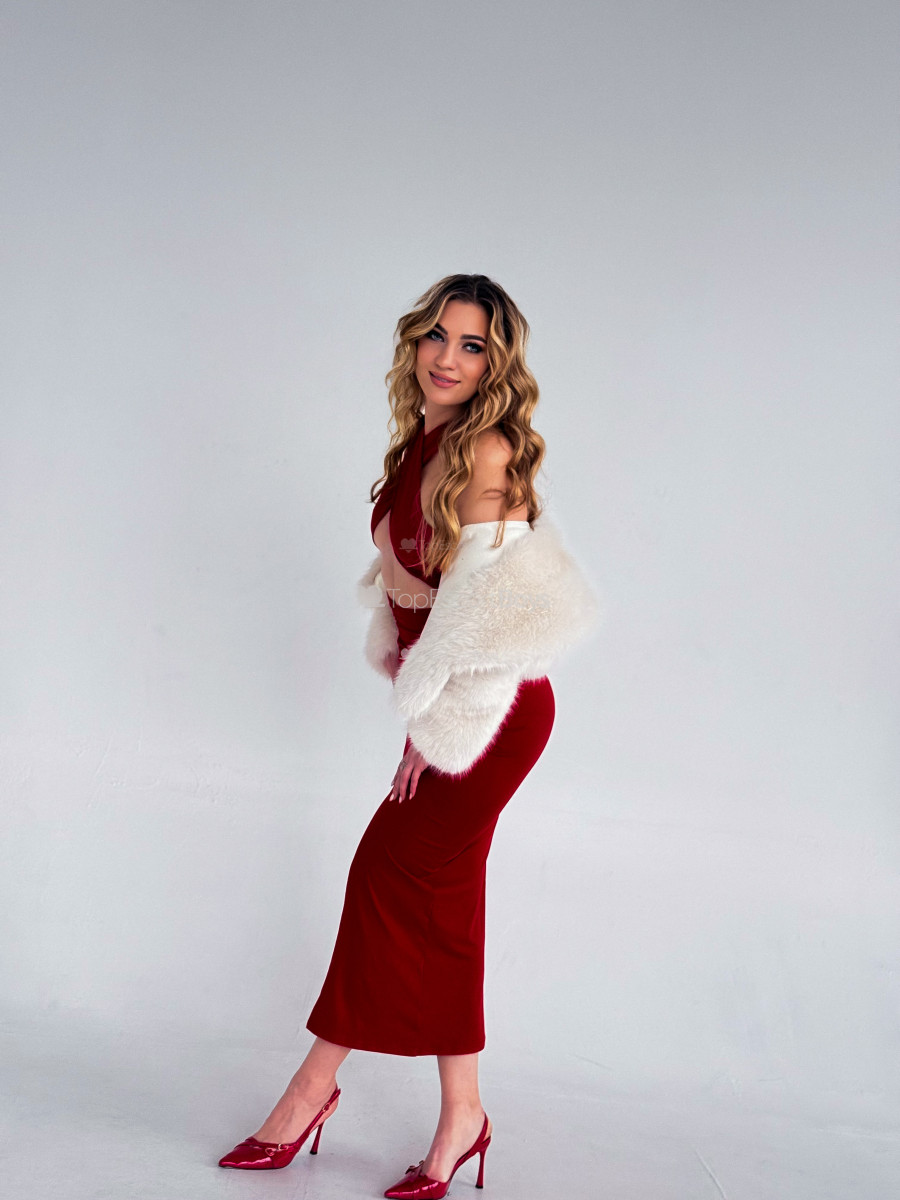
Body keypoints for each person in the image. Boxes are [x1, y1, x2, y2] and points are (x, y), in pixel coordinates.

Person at [217, 274, 599, 1197]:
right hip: (453, 708)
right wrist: (418, 704)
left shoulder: (489, 451)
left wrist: (437, 726)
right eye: (437, 336)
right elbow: (413, 590)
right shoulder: (422, 444)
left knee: (385, 871)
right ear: (415, 341)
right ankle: (464, 1116)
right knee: (442, 898)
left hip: (494, 711)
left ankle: (311, 1089)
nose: (448, 358)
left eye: (472, 346)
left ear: (496, 364)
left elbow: (488, 618)